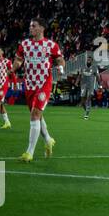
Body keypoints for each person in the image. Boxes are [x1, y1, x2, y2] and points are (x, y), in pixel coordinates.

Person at [13, 18, 65, 163]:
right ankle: (48, 139)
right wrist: (14, 67)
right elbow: (18, 59)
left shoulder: (51, 45)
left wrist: (60, 68)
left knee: (35, 114)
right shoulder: (24, 44)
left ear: (42, 28)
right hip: (29, 84)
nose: (31, 28)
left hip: (44, 83)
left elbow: (60, 59)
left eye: (33, 26)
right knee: (37, 114)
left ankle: (29, 153)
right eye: (30, 26)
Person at [79, 54, 99, 121]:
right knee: (82, 102)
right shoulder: (82, 67)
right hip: (83, 85)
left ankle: (87, 114)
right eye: (87, 60)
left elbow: (97, 76)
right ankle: (86, 111)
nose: (88, 61)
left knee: (88, 98)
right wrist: (76, 82)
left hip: (91, 85)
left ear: (92, 61)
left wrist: (99, 83)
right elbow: (80, 75)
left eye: (90, 60)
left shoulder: (94, 67)